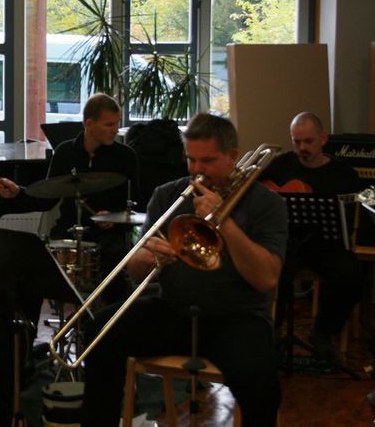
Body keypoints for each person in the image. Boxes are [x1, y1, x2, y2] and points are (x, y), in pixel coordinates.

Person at [81, 113, 287, 427]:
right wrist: (149, 257)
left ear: (232, 156)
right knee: (100, 331)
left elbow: (266, 278)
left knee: (262, 385)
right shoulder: (168, 195)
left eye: (208, 161)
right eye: (191, 159)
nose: (197, 170)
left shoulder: (266, 203)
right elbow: (135, 272)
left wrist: (224, 221)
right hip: (174, 310)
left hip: (237, 317)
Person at [0, 93, 140, 301]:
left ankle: (108, 316)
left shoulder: (126, 156)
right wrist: (18, 192)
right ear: (89, 124)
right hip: (69, 229)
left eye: (117, 123)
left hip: (110, 236)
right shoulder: (65, 153)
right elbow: (46, 199)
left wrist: (114, 216)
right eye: (109, 124)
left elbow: (136, 202)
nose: (116, 130)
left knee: (114, 260)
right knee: (34, 264)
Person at [261, 111, 363, 359]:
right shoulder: (282, 164)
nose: (302, 148)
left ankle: (322, 331)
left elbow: (355, 209)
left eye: (308, 141)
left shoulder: (343, 174)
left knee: (351, 275)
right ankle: (273, 332)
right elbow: (257, 188)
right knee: (274, 269)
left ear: (323, 139)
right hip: (288, 239)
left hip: (325, 243)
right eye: (297, 141)